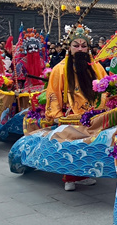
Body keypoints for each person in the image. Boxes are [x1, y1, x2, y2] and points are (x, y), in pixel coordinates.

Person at [45, 25, 107, 191]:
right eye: (76, 45)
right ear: (69, 47)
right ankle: (70, 178)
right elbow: (53, 93)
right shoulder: (60, 69)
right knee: (71, 147)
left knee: (89, 147)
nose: (80, 49)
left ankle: (84, 175)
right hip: (70, 114)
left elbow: (106, 88)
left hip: (93, 114)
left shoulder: (96, 67)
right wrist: (56, 114)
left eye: (83, 46)